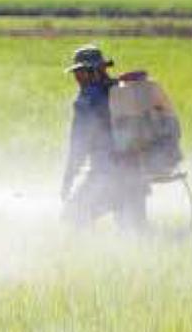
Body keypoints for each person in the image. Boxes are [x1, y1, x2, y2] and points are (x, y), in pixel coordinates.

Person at [60, 44, 149, 231]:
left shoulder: (86, 101)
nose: (77, 78)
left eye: (80, 72)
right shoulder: (123, 90)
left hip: (106, 176)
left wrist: (68, 178)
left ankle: (86, 258)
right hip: (137, 176)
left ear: (93, 72)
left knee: (72, 217)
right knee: (136, 234)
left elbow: (79, 144)